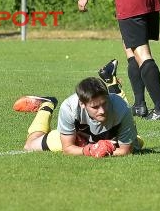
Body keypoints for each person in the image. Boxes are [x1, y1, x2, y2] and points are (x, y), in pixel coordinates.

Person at [14, 62, 143, 158]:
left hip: (110, 137)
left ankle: (112, 82)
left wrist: (105, 149)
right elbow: (68, 148)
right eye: (95, 107)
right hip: (77, 140)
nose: (102, 110)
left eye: (104, 104)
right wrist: (89, 150)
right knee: (29, 146)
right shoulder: (69, 108)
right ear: (82, 104)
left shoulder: (122, 109)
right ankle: (47, 106)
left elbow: (126, 151)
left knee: (138, 143)